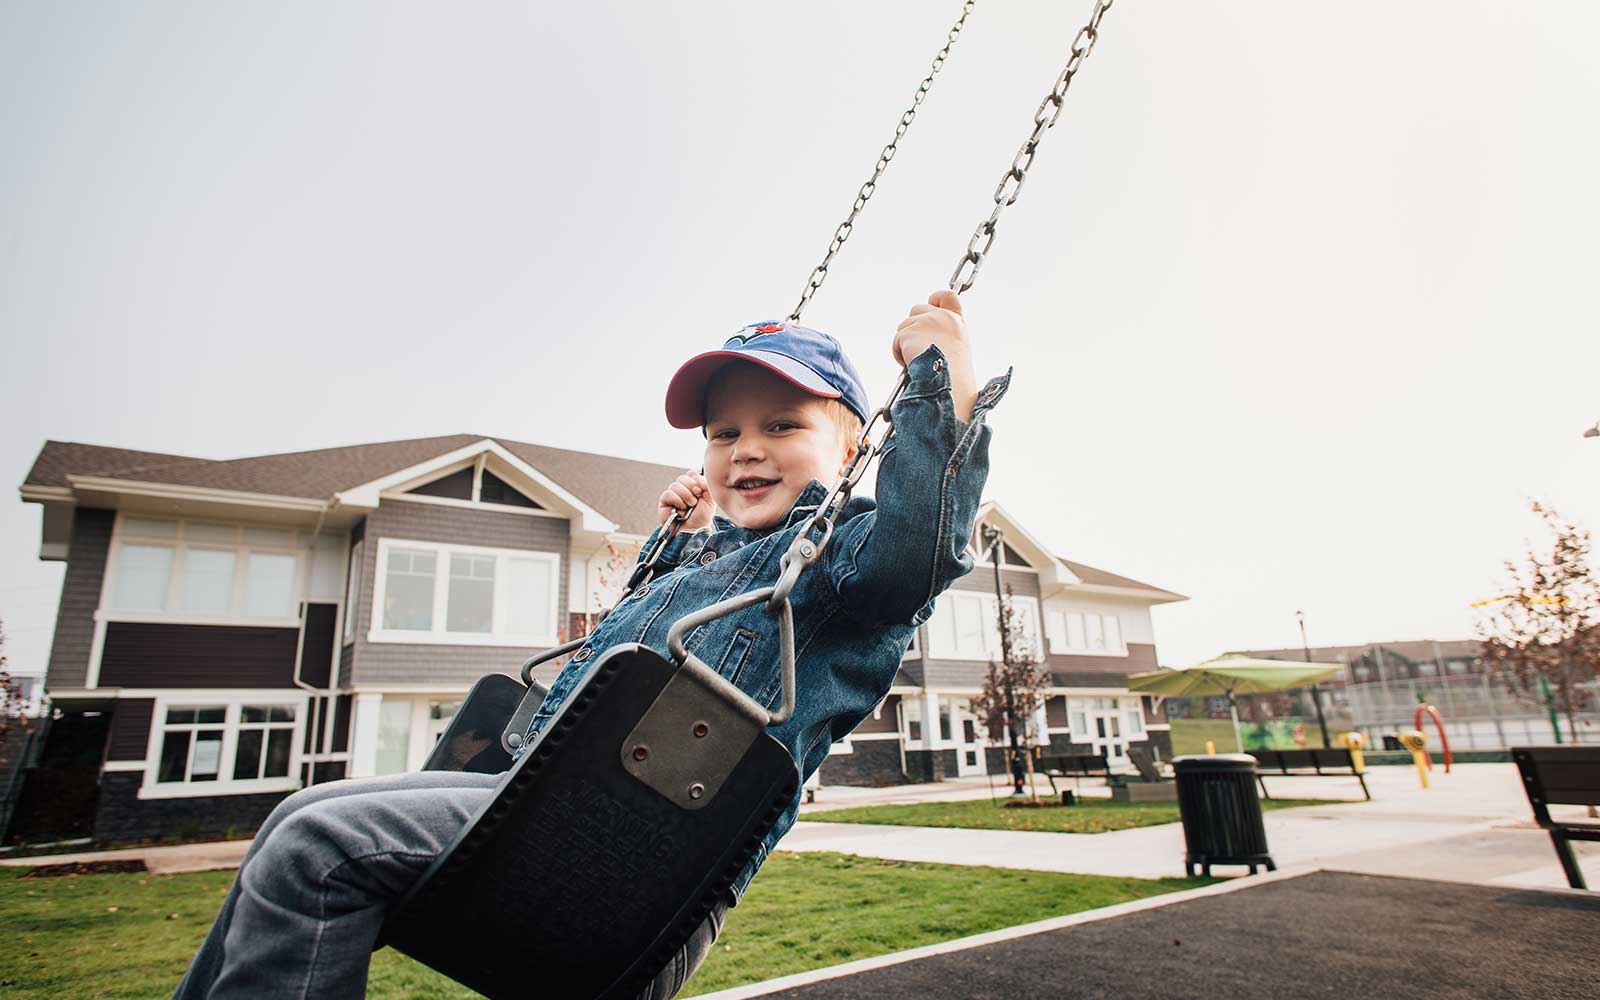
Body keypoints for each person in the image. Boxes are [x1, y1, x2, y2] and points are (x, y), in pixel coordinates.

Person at [174, 290, 1008, 999]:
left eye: (782, 424)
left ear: (854, 448)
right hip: (549, 823)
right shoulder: (716, 560)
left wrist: (944, 386)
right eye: (723, 434)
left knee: (318, 847)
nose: (746, 448)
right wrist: (681, 543)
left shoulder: (841, 563)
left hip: (636, 877)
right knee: (295, 820)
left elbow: (918, 548)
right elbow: (636, 652)